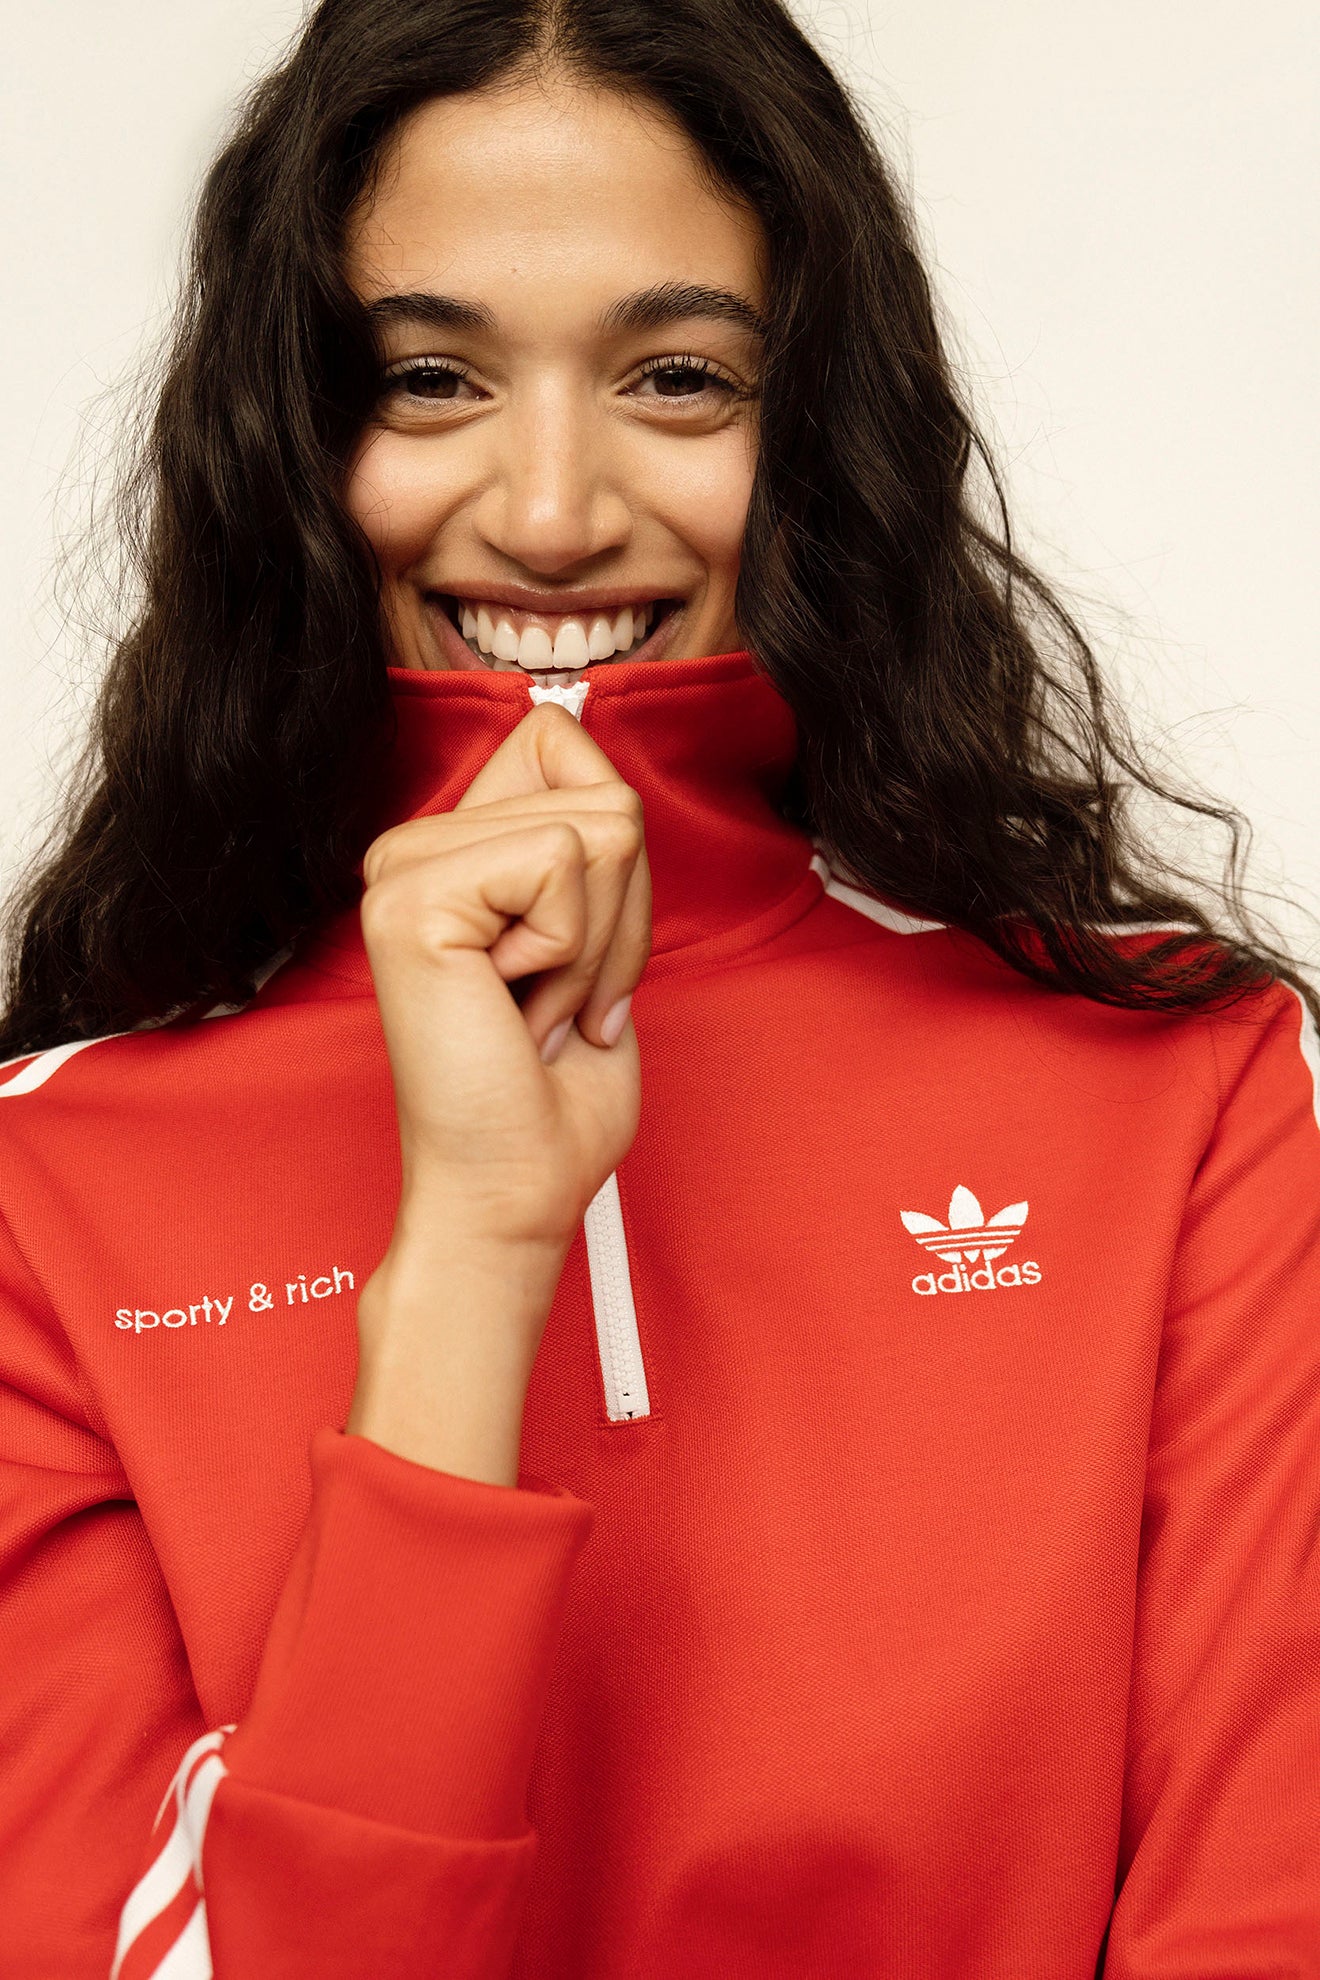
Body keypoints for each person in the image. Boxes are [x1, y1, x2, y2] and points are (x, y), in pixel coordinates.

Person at [0, 0, 1316, 1973]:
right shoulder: (43, 1189)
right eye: (429, 377)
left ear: (821, 431)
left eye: (680, 378)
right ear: (287, 437)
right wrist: (474, 1246)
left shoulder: (1185, 1080)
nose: (550, 514)